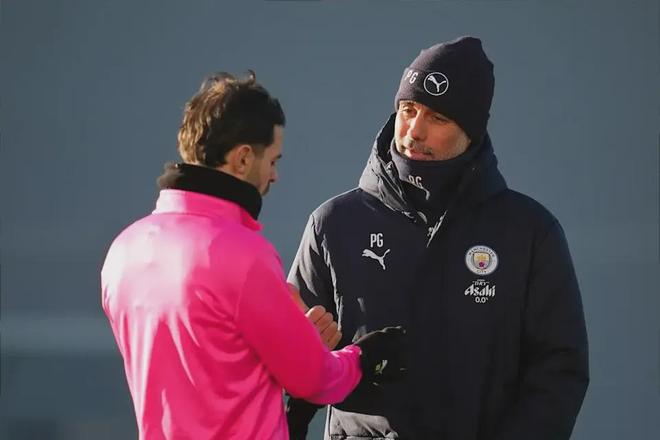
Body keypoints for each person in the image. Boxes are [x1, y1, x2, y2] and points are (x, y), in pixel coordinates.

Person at [287, 36, 589, 439]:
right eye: (408, 110)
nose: (415, 131)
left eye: (438, 118)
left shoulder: (530, 232)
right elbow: (283, 363)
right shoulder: (334, 223)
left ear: (471, 132)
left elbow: (559, 369)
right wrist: (301, 359)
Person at [101, 71, 406, 440]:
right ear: (243, 158)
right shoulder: (242, 254)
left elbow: (204, 363)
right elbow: (313, 380)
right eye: (273, 161)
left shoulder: (124, 251)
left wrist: (295, 340)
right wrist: (362, 358)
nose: (274, 176)